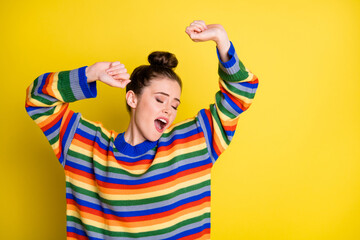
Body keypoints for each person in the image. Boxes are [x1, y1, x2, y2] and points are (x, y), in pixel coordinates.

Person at [25, 20, 258, 240]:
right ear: (132, 99)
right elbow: (37, 99)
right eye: (160, 99)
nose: (169, 109)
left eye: (175, 104)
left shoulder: (195, 141)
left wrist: (221, 39)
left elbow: (241, 93)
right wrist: (91, 73)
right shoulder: (85, 146)